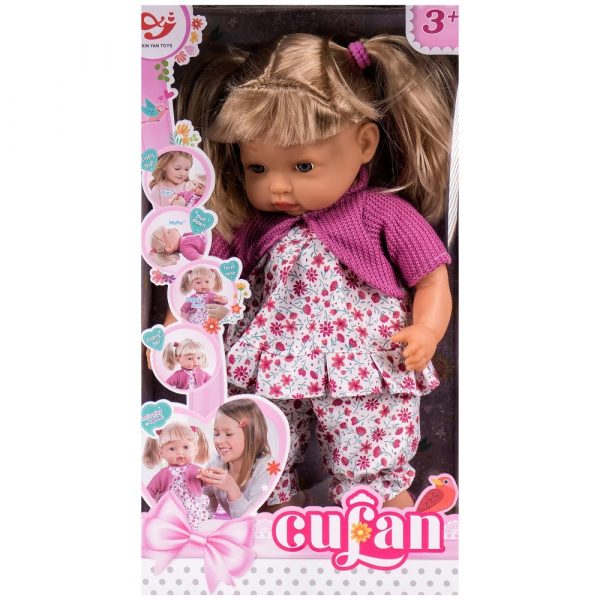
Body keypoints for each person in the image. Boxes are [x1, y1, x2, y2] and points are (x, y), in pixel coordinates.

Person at [175, 33, 456, 510]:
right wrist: (178, 329)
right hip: (270, 363)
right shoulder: (250, 225)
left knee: (369, 440)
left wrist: (427, 330)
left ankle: (384, 511)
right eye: (258, 168)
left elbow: (431, 278)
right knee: (258, 445)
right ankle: (266, 514)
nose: (278, 187)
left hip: (362, 362)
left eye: (303, 166)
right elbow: (199, 279)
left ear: (364, 143)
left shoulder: (381, 215)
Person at [200, 398, 274, 519]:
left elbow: (248, 518)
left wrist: (232, 489)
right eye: (216, 434)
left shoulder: (266, 467)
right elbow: (207, 497)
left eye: (228, 434)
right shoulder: (217, 461)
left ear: (251, 435)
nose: (219, 441)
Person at [143, 421, 210, 530]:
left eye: (185, 447)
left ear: (195, 449)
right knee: (169, 529)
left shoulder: (197, 470)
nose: (180, 453)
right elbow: (149, 491)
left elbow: (206, 483)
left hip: (191, 510)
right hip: (169, 510)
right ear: (161, 453)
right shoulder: (162, 474)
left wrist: (208, 478)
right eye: (172, 449)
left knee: (191, 529)